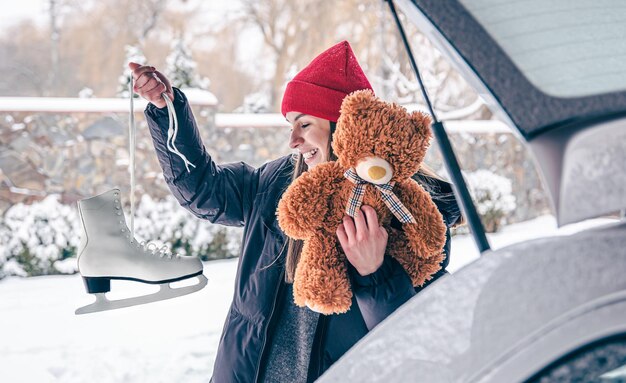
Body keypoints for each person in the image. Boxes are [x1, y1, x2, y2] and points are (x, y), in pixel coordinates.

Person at [130, 40, 462, 383]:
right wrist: (168, 112)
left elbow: (415, 344)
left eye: (304, 124)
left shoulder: (406, 208)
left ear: (342, 124)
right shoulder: (276, 182)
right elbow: (202, 191)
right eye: (290, 125)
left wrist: (375, 274)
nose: (293, 140)